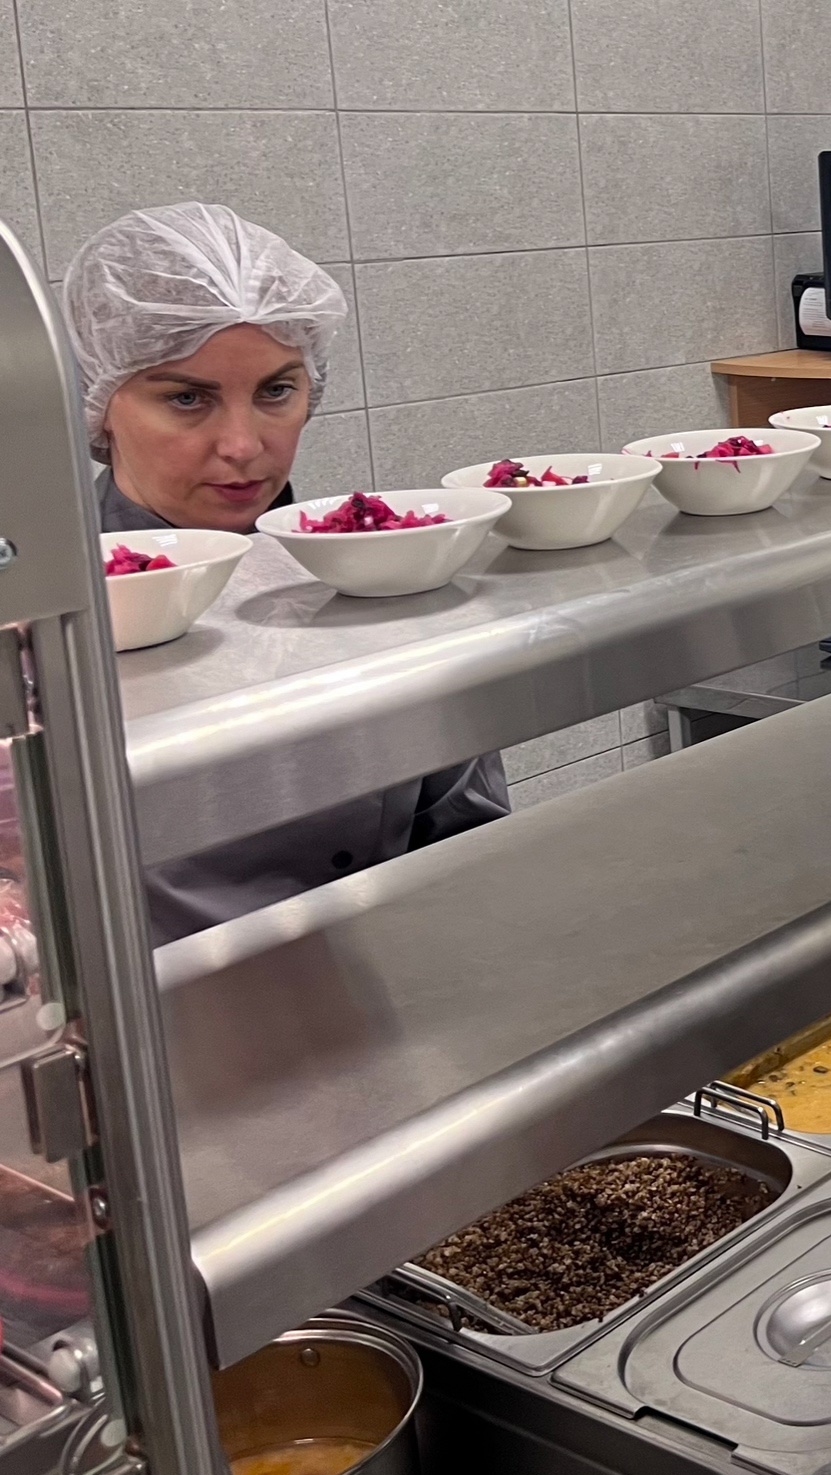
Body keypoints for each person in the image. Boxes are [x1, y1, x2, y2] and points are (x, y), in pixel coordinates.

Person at [64, 203, 510, 942]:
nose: (243, 446)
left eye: (276, 391)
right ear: (99, 404)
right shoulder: (47, 619)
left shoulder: (376, 571)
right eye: (186, 398)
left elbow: (466, 829)